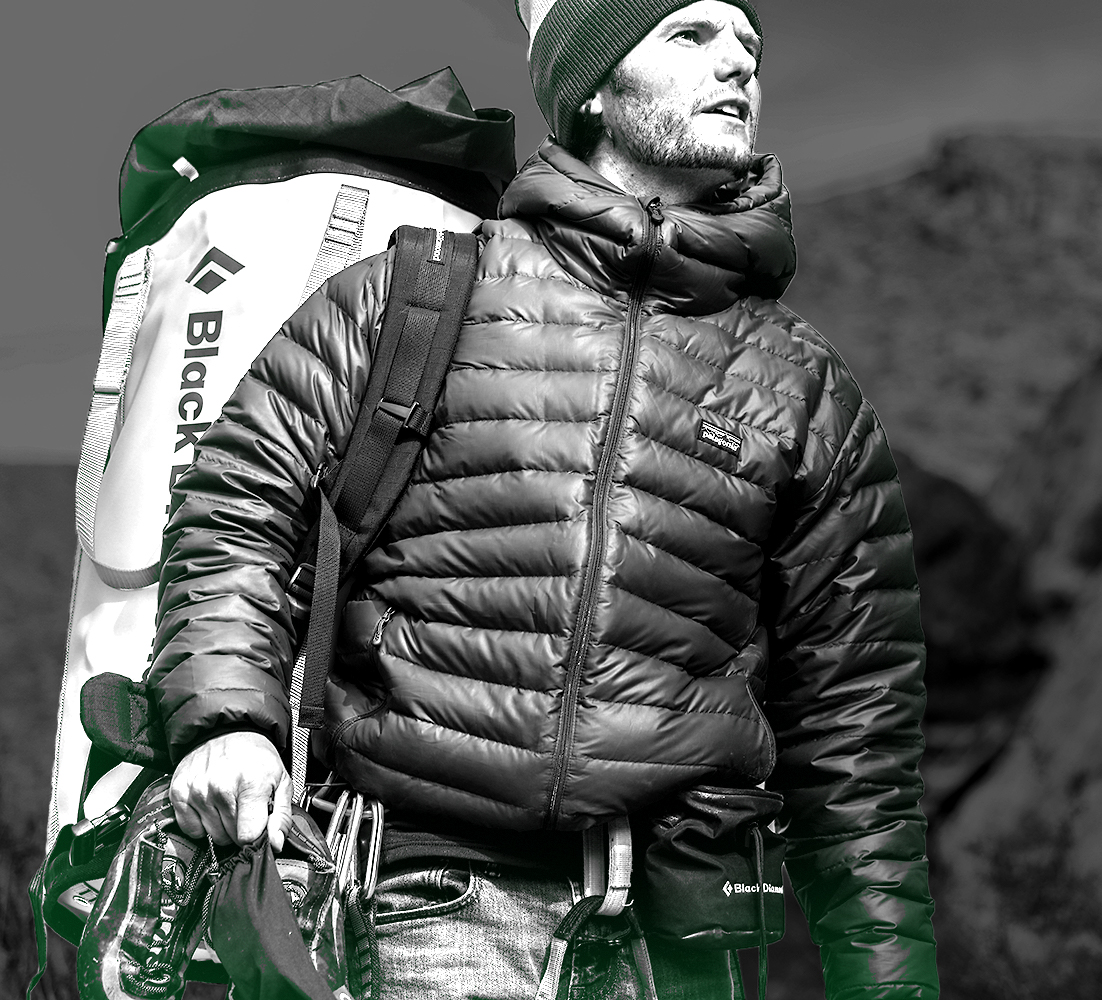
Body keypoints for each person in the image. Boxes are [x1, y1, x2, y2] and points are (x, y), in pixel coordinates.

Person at [148, 0, 940, 996]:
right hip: (429, 913)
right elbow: (237, 504)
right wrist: (228, 720)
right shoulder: (415, 296)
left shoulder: (805, 387)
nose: (738, 63)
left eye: (750, 44)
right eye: (691, 35)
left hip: (679, 948)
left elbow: (858, 740)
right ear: (594, 88)